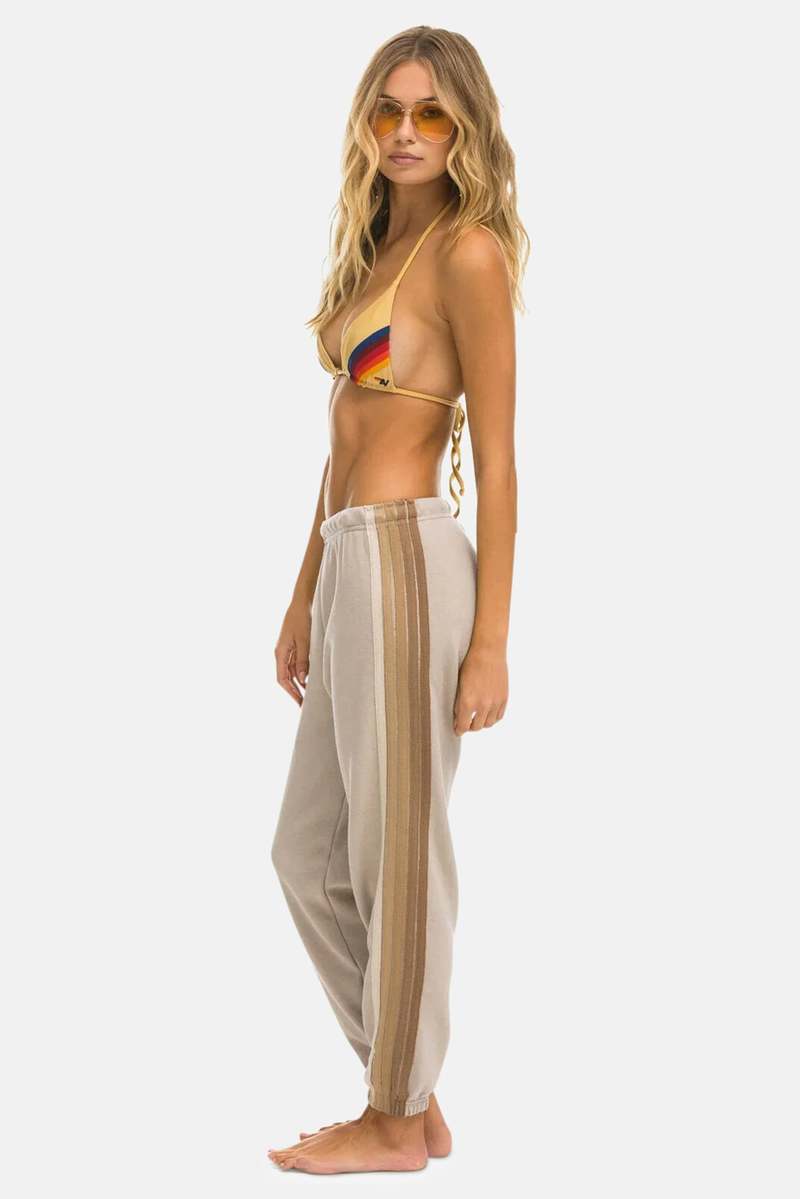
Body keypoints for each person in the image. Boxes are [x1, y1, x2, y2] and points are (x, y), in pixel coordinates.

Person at [268, 25, 529, 1175]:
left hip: (412, 565)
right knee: (308, 852)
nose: (406, 132)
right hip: (349, 559)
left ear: (463, 124)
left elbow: (502, 466)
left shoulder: (466, 255)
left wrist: (491, 640)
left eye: (429, 113)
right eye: (388, 111)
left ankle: (391, 1113)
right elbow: (340, 444)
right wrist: (301, 592)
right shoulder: (377, 245)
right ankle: (407, 1094)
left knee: (396, 850)